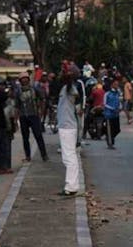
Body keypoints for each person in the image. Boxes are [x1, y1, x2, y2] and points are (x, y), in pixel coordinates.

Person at [57, 65, 81, 196]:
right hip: (66, 125)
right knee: (69, 156)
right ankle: (72, 185)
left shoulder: (70, 88)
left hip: (67, 126)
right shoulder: (66, 88)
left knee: (69, 157)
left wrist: (66, 71)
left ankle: (71, 186)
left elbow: (67, 78)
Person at [16, 72, 48, 162]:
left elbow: (42, 98)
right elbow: (17, 105)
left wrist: (41, 110)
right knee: (25, 137)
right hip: (23, 116)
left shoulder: (34, 89)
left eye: (26, 78)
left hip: (34, 115)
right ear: (20, 81)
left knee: (38, 135)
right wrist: (16, 118)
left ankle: (44, 155)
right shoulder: (18, 91)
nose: (24, 80)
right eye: (22, 79)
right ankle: (28, 156)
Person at [103, 78, 122, 149]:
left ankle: (109, 137)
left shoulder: (118, 93)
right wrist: (112, 108)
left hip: (116, 114)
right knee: (110, 129)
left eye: (117, 84)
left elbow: (119, 101)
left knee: (117, 129)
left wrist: (120, 107)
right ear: (112, 85)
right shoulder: (107, 94)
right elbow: (104, 104)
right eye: (115, 84)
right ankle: (110, 143)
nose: (117, 85)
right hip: (109, 114)